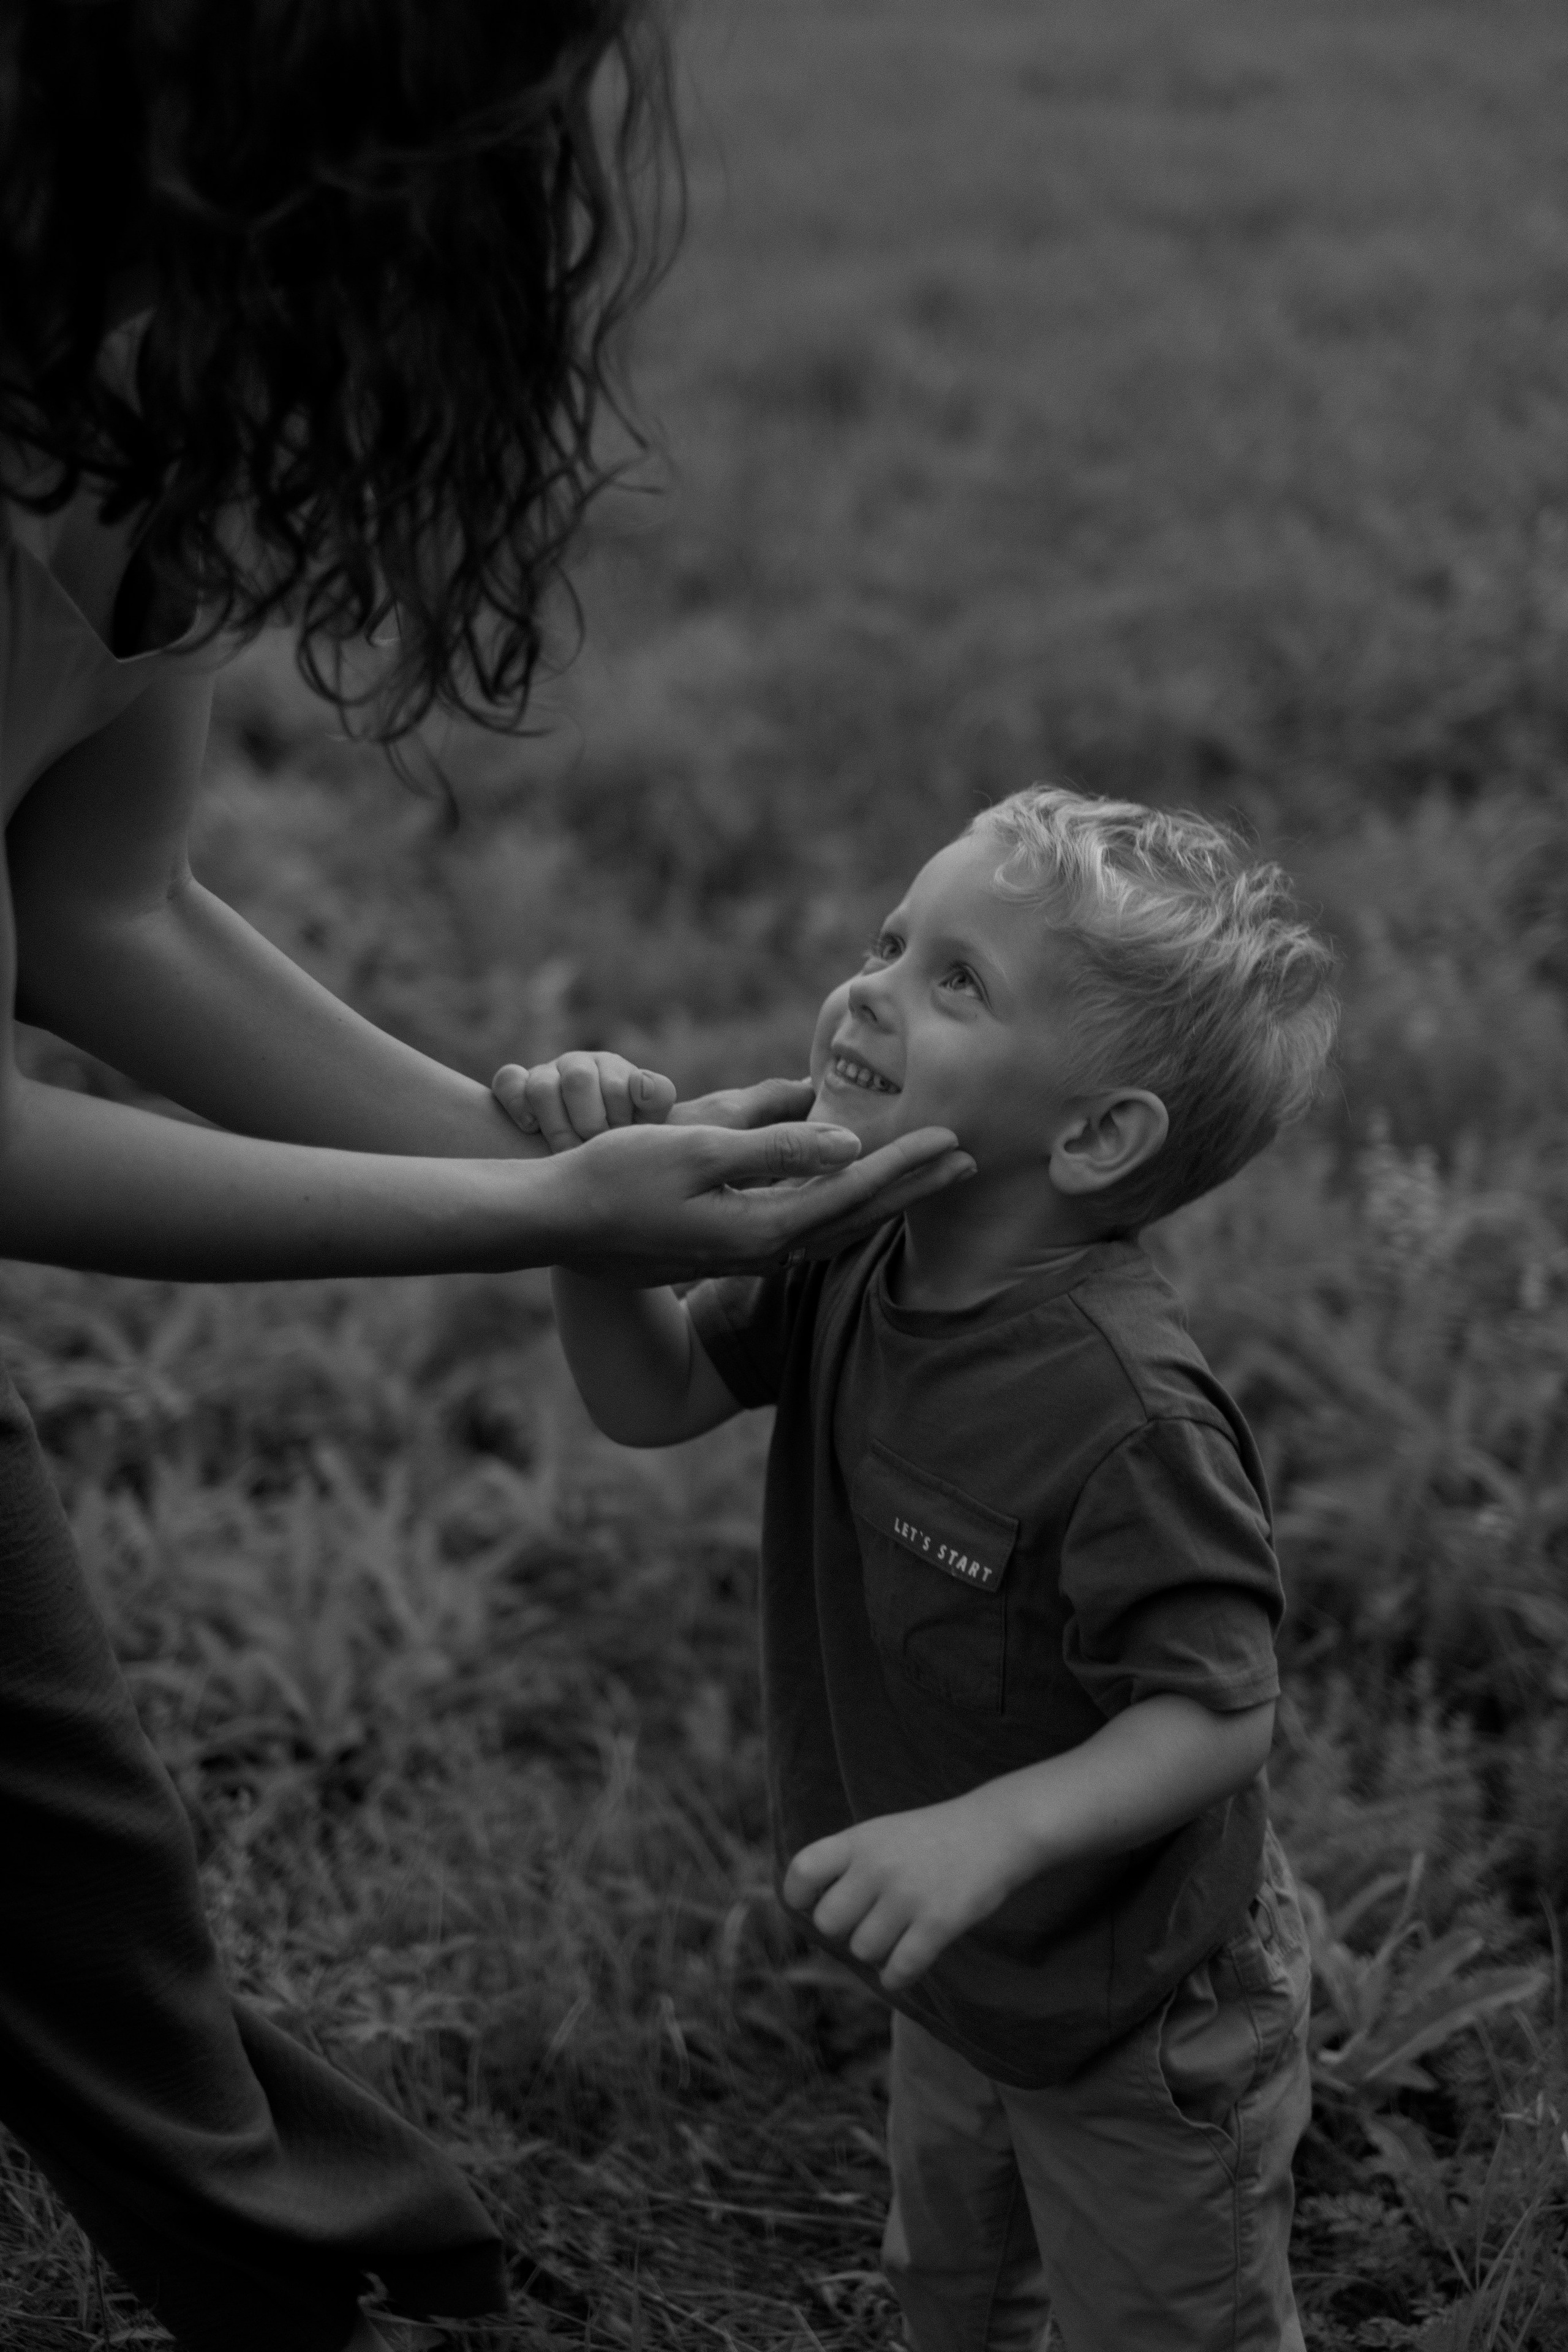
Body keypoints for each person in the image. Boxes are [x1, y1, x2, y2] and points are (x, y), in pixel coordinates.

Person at [0, 5, 970, 2348]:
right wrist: (541, 1223)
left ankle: (359, 2296)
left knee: (64, 1843)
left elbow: (96, 912)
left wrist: (549, 1150)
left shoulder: (152, 438)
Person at [523, 785, 1339, 2351]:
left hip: (1136, 1998)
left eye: (952, 981)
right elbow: (654, 1400)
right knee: (953, 2287)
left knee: (1161, 2325)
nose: (870, 989)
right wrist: (592, 1237)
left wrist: (986, 1835)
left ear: (1097, 1137)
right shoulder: (847, 1245)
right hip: (963, 1958)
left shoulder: (1124, 1416)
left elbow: (1217, 1713)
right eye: (891, 941)